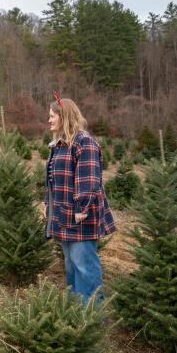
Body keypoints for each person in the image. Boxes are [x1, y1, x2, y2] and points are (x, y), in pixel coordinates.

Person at [44, 94, 116, 303]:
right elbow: (52, 180)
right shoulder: (59, 145)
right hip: (64, 215)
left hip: (80, 218)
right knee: (71, 264)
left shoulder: (84, 142)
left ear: (64, 116)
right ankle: (76, 312)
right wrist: (47, 204)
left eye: (52, 116)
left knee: (84, 265)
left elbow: (88, 180)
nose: (49, 120)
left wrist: (81, 211)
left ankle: (92, 315)